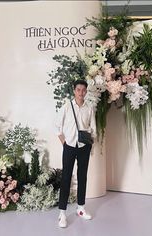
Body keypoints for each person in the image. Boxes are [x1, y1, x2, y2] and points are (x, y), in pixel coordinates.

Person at [55, 79, 96, 228]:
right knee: (66, 177)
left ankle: (81, 208)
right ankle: (62, 213)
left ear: (86, 91)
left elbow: (93, 128)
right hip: (70, 146)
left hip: (84, 146)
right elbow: (57, 127)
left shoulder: (89, 108)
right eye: (78, 90)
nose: (81, 93)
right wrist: (65, 143)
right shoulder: (66, 106)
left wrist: (91, 144)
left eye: (83, 90)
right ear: (74, 90)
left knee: (82, 177)